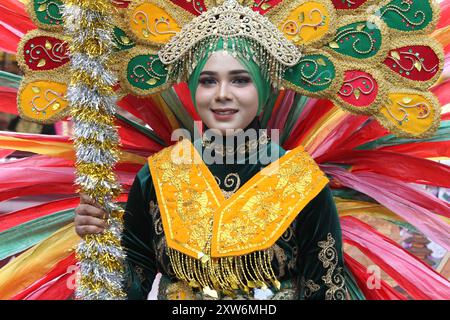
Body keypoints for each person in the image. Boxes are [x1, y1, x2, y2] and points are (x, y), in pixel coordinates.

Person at [75, 38, 351, 300]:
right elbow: (130, 286)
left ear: (264, 89)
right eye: (208, 81)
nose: (222, 94)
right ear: (195, 88)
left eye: (240, 80)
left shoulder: (301, 180)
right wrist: (100, 242)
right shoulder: (158, 175)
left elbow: (326, 290)